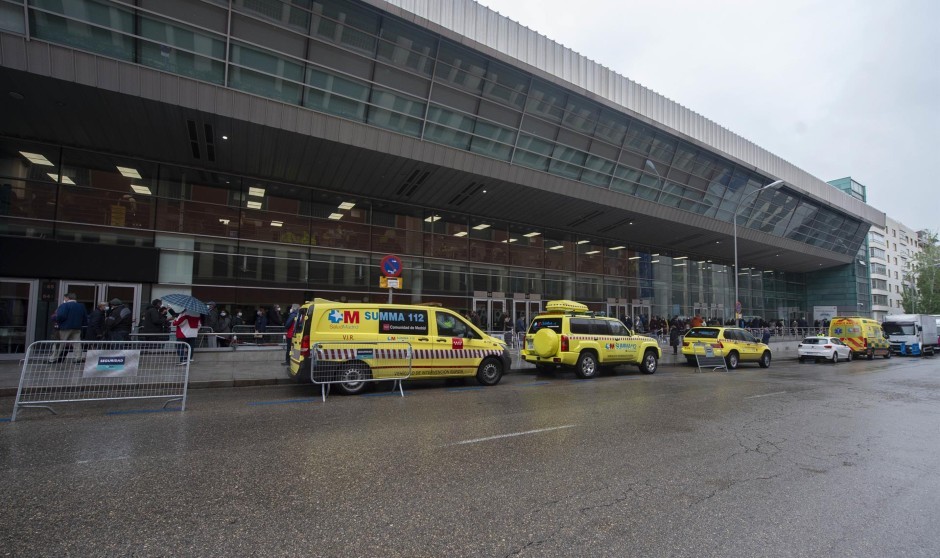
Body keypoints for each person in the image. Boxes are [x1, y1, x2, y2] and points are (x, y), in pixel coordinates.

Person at [48, 293, 88, 362]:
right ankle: (78, 358)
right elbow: (84, 317)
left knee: (59, 343)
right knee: (77, 344)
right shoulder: (81, 306)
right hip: (77, 328)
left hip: (65, 327)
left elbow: (61, 316)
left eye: (64, 298)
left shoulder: (64, 305)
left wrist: (55, 319)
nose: (64, 299)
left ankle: (53, 358)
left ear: (67, 298)